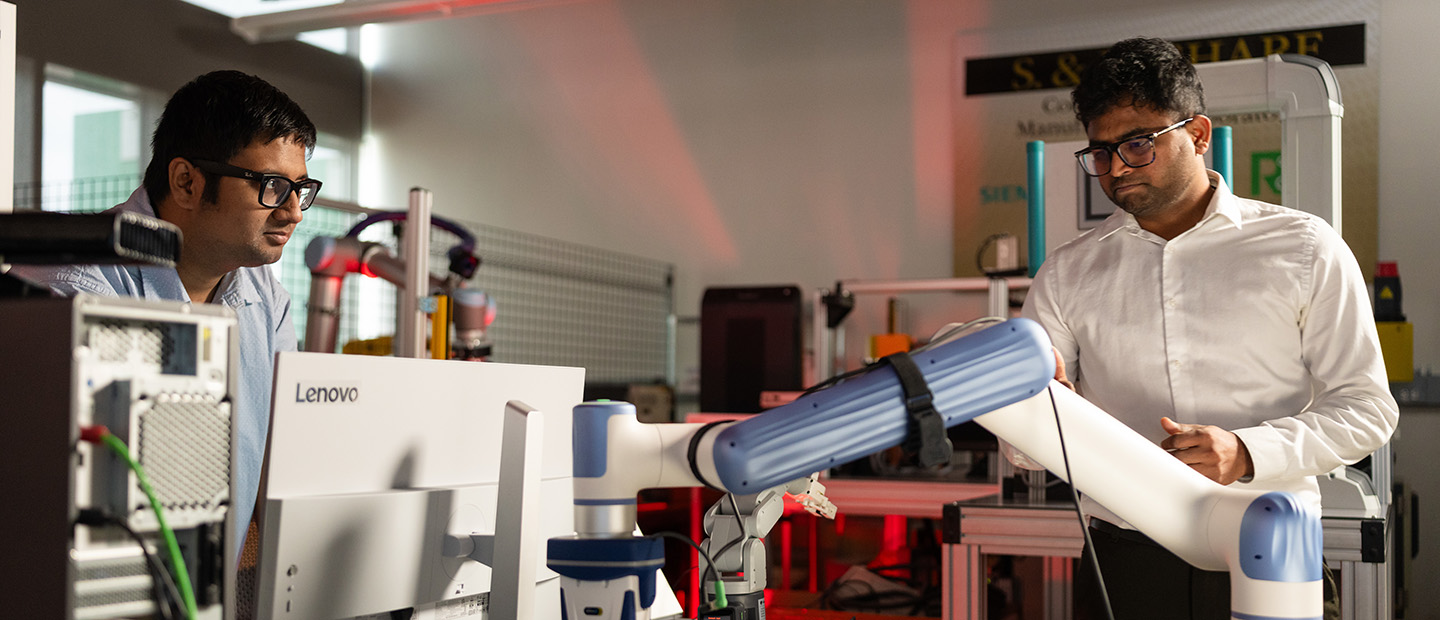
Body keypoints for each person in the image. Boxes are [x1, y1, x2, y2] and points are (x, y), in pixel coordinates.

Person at [1018, 38, 1397, 618]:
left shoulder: (1302, 246)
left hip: (1270, 549)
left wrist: (1248, 451)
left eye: (1137, 144)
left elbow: (1368, 409)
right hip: (1124, 559)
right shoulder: (1068, 273)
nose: (1116, 168)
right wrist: (1042, 419)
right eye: (1100, 152)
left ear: (1197, 135)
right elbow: (1020, 445)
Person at [11, 70, 321, 559]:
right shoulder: (70, 287)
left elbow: (279, 467)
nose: (293, 212)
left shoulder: (267, 301)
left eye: (300, 189)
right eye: (273, 186)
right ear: (186, 182)